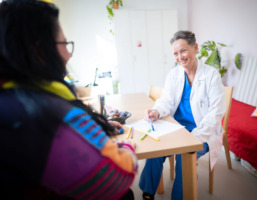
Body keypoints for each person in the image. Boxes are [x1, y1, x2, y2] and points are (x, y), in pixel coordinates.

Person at [0, 0, 137, 199]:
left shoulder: (12, 96)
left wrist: (98, 125)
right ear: (39, 50)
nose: (68, 55)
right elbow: (115, 176)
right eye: (64, 44)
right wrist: (128, 147)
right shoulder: (42, 113)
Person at [139, 30, 226, 200]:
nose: (180, 57)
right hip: (175, 128)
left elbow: (216, 113)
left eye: (183, 50)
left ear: (195, 47)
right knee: (155, 150)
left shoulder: (211, 76)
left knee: (184, 155)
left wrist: (193, 138)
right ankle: (148, 193)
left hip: (203, 133)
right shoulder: (174, 74)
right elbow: (166, 100)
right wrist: (156, 111)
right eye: (176, 53)